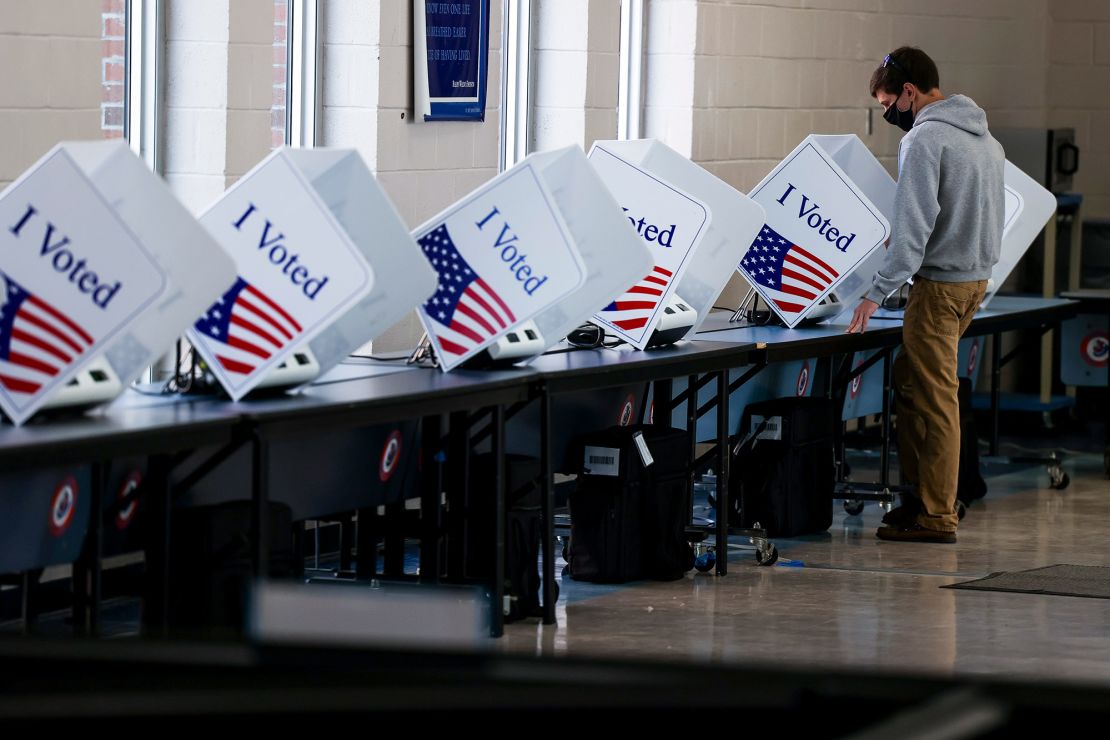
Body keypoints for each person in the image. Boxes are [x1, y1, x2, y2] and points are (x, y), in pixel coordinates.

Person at [845, 46, 1005, 543]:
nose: (888, 114)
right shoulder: (985, 140)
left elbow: (914, 227)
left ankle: (936, 514)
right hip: (973, 281)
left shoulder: (924, 139)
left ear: (910, 93)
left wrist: (876, 291)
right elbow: (967, 215)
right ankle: (920, 498)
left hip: (937, 289)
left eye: (888, 102)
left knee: (935, 401)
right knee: (912, 383)